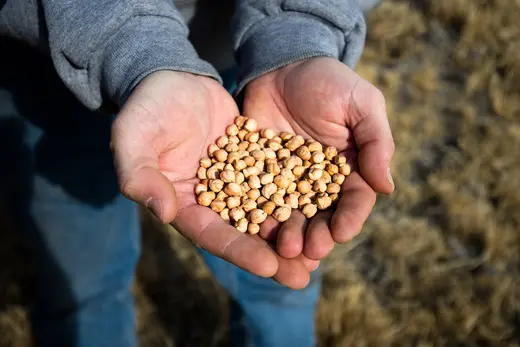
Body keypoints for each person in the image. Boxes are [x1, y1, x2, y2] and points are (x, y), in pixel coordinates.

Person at [0, 0, 393, 346]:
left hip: (248, 58)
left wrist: (302, 27)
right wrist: (130, 43)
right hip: (50, 51)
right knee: (82, 281)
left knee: (277, 269)